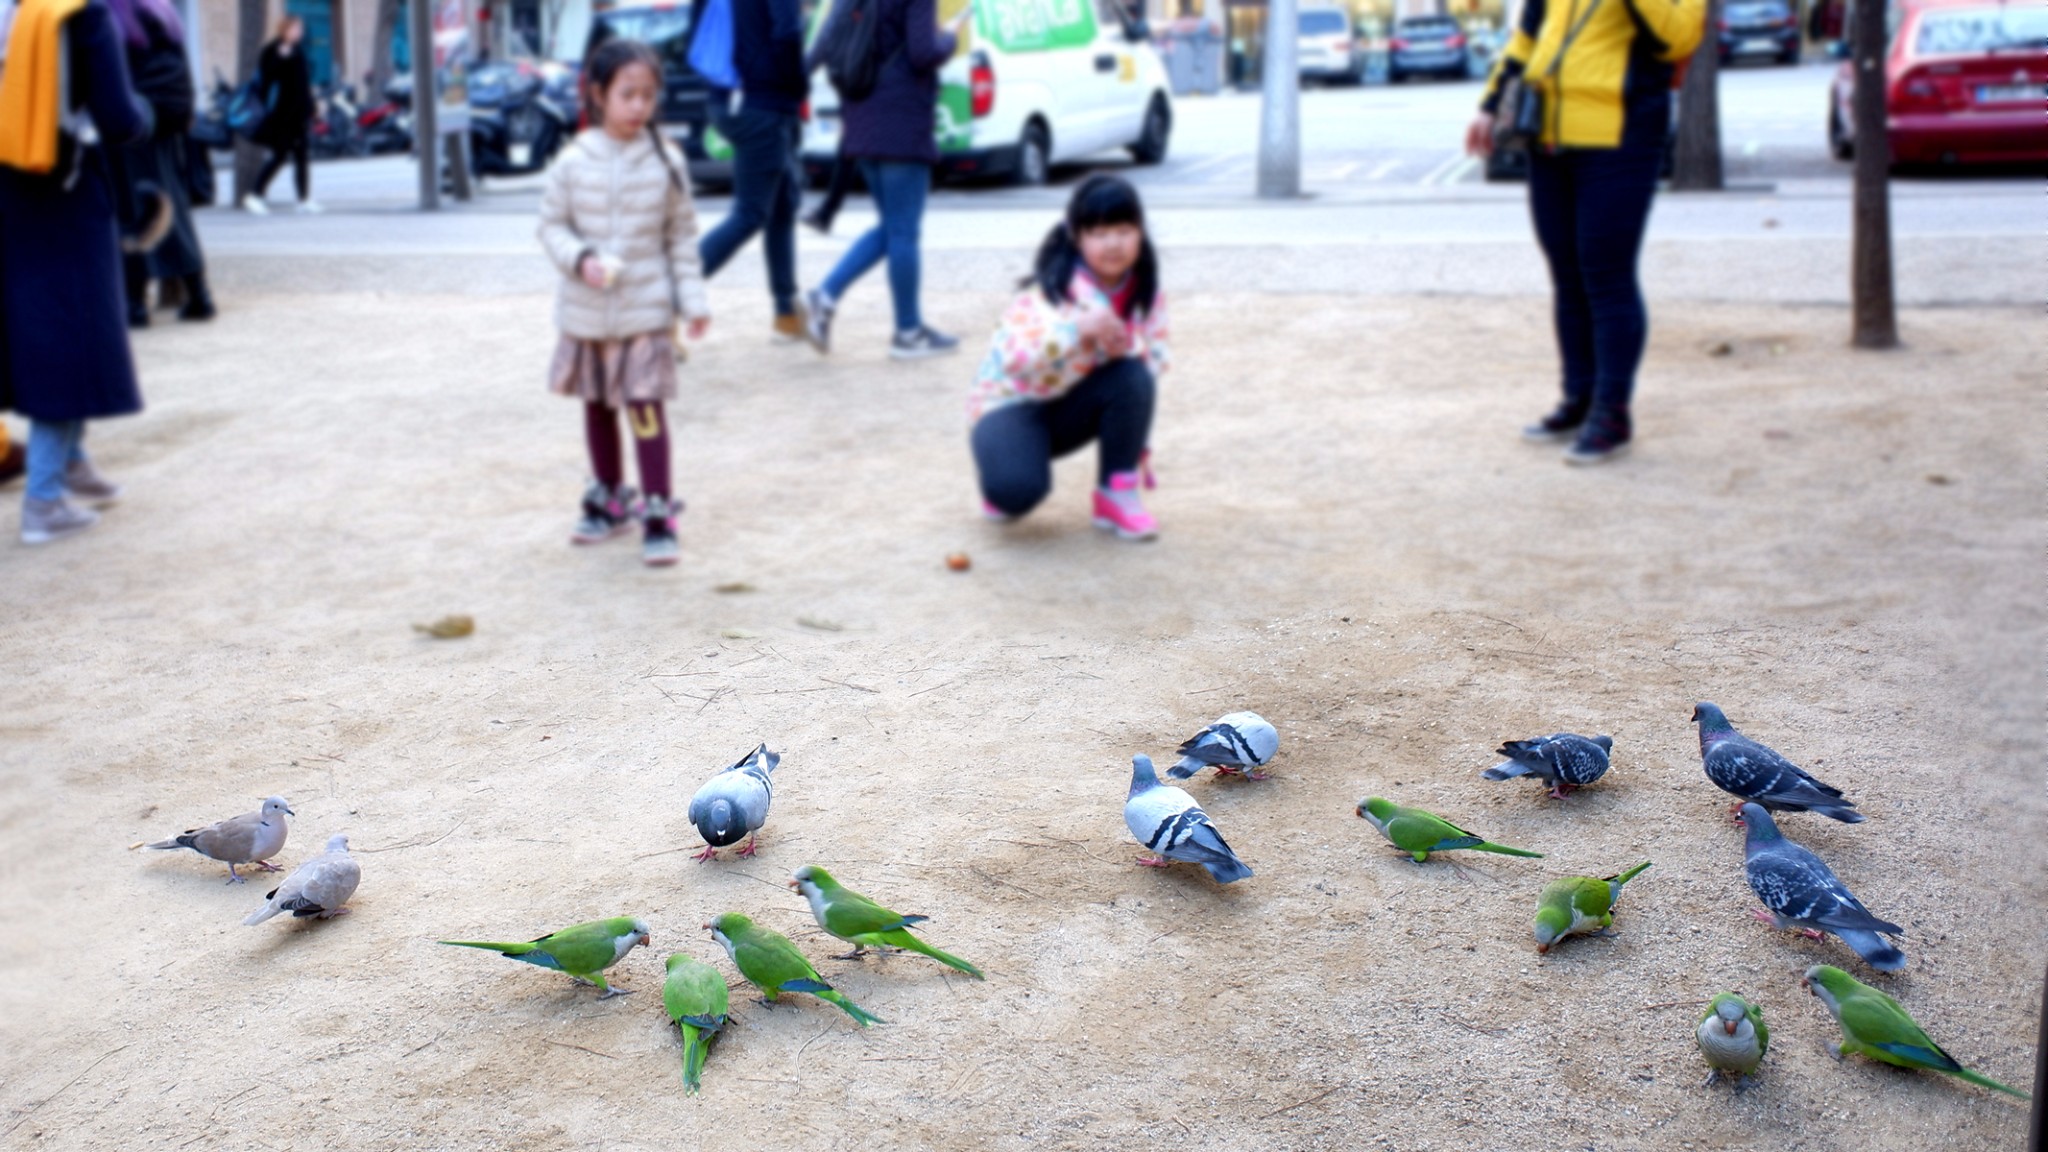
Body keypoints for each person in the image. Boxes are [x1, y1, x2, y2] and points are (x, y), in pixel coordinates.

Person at [1465, 0, 1703, 464]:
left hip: (1621, 137)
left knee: (1607, 277)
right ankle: (1579, 398)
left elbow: (1680, 35)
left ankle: (1613, 413)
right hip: (1547, 134)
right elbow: (1526, 39)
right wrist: (1489, 105)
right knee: (1567, 274)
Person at [537, 38, 711, 568]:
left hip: (645, 309)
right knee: (596, 404)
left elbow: (681, 236)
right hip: (588, 309)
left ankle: (658, 508)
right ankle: (611, 498)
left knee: (644, 406)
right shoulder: (571, 161)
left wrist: (693, 300)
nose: (638, 105)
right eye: (627, 94)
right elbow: (551, 226)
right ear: (598, 95)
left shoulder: (667, 160)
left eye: (648, 95)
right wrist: (580, 258)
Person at [0, 0, 153, 544]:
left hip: (7, 193)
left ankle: (72, 461)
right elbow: (118, 118)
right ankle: (43, 499)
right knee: (70, 337)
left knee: (35, 332)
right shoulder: (81, 16)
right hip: (63, 194)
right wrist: (148, 112)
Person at [968, 175, 1166, 541]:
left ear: (1141, 232)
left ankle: (1116, 492)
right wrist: (1075, 332)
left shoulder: (1144, 290)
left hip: (1070, 407)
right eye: (1099, 233)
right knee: (1016, 491)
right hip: (1011, 406)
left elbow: (1155, 356)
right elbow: (1014, 360)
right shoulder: (1051, 288)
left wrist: (1131, 349)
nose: (1114, 244)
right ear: (1076, 236)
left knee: (1133, 377)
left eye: (1124, 230)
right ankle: (1005, 471)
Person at [803, 0, 971, 359]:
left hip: (860, 122)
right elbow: (923, 54)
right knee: (903, 231)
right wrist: (950, 38)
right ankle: (907, 333)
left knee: (893, 228)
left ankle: (825, 297)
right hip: (901, 123)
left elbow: (822, 45)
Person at [691, 0, 808, 344]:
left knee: (782, 204)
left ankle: (786, 313)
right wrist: (798, 86)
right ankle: (665, 300)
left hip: (728, 96)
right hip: (761, 103)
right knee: (751, 213)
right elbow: (788, 33)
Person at [108, 0, 212, 324]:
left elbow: (109, 75)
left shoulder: (113, 15)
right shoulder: (162, 12)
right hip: (169, 117)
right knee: (171, 204)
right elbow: (182, 69)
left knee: (133, 207)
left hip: (135, 118)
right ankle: (199, 294)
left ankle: (135, 303)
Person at [242, 14, 318, 214]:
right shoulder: (272, 50)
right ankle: (255, 195)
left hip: (299, 115)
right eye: (295, 29)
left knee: (301, 157)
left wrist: (312, 107)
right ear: (284, 30)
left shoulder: (298, 51)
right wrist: (279, 58)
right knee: (280, 156)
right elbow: (266, 79)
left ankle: (303, 199)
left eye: (300, 29)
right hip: (281, 117)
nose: (299, 33)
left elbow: (303, 84)